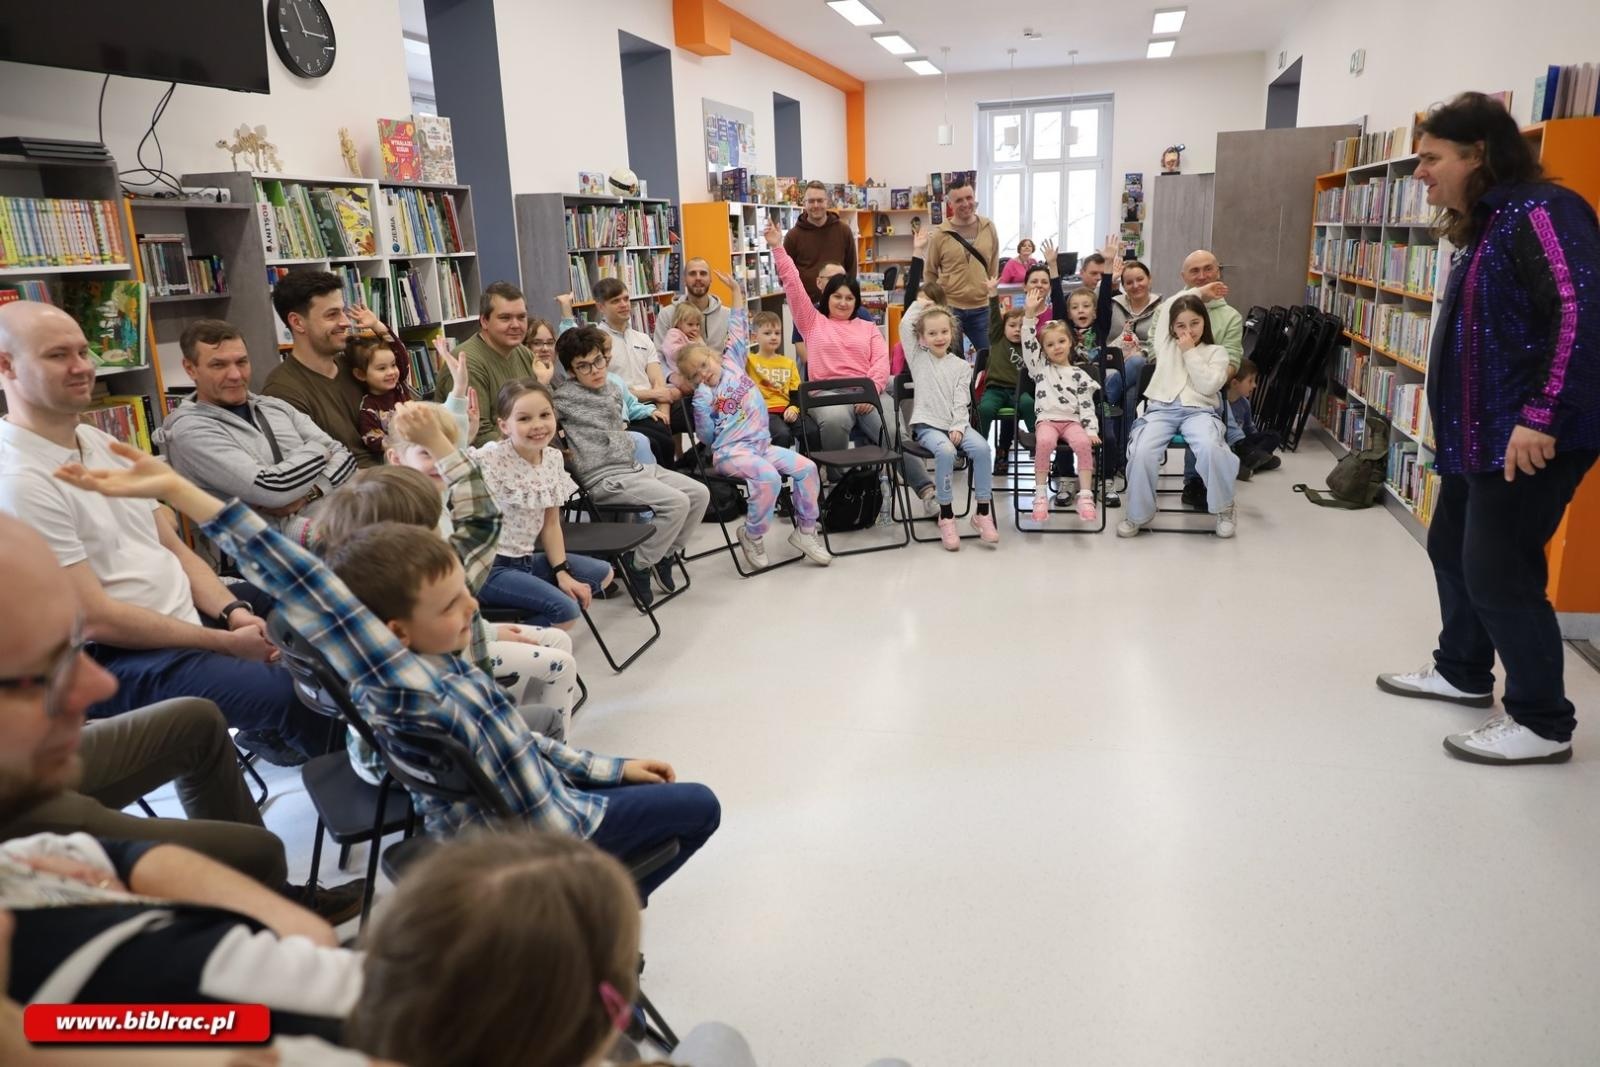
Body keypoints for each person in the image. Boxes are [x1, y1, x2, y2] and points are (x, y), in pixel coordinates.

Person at [55, 444, 721, 902]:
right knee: (699, 806)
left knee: (665, 793)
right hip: (544, 839)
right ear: (392, 631)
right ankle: (583, 916)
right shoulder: (402, 683)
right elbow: (298, 576)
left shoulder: (443, 663)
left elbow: (516, 744)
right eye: (453, 603)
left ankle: (580, 921)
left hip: (545, 806)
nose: (474, 609)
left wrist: (608, 766)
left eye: (467, 594)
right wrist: (177, 491)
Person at [0, 300, 325, 766]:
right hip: (116, 657)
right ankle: (371, 788)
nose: (82, 367)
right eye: (58, 356)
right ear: (6, 366)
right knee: (296, 693)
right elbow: (95, 618)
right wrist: (227, 643)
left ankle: (289, 736)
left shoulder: (97, 441)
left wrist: (233, 611)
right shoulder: (18, 481)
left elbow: (172, 546)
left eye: (84, 352)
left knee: (317, 608)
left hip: (184, 616)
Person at [1376, 91, 1600, 766]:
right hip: (1480, 437)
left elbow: (1581, 310)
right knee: (1452, 548)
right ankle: (1462, 670)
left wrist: (1542, 415)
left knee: (1500, 570)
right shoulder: (1488, 224)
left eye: (1432, 157)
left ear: (1480, 154)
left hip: (1529, 436)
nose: (1421, 173)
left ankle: (1542, 720)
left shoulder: (1544, 211)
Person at [317, 425, 575, 748]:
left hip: (431, 741)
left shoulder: (358, 608)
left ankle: (525, 729)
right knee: (554, 679)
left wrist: (489, 631)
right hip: (469, 728)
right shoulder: (427, 582)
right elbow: (483, 517)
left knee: (556, 643)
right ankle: (532, 743)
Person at [672, 277, 832, 569]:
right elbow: (707, 437)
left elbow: (737, 327)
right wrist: (703, 407)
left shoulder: (733, 361)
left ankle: (806, 531)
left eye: (704, 365)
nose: (703, 374)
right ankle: (752, 534)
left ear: (712, 356)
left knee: (807, 469)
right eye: (695, 375)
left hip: (761, 446)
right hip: (731, 453)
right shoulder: (703, 396)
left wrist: (736, 292)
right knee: (768, 478)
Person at [553, 324, 710, 605]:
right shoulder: (563, 397)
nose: (594, 370)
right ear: (572, 372)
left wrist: (654, 409)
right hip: (603, 478)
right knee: (676, 503)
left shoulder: (613, 386)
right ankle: (638, 564)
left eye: (598, 361)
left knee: (700, 494)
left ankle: (661, 555)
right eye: (583, 366)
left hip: (633, 468)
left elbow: (631, 407)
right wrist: (540, 377)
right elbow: (539, 407)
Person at [164, 318, 357, 545]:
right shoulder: (188, 430)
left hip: (334, 527)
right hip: (269, 556)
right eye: (218, 365)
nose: (235, 375)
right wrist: (319, 450)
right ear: (190, 368)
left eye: (242, 362)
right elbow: (271, 489)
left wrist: (311, 491)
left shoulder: (274, 406)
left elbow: (346, 459)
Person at [473, 382, 616, 630]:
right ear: (504, 426)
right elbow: (446, 463)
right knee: (567, 611)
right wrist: (464, 429)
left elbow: (551, 524)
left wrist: (561, 571)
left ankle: (528, 627)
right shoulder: (491, 456)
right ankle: (519, 646)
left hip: (525, 561)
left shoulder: (553, 457)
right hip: (489, 568)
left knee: (604, 573)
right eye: (524, 418)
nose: (538, 425)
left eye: (545, 415)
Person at [1118, 287, 1239, 538]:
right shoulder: (1165, 344)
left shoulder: (1216, 352)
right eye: (1181, 325)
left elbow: (1208, 386)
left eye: (1194, 323)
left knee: (1210, 447)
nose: (1188, 330)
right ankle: (1138, 513)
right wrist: (1200, 291)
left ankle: (1224, 508)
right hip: (1161, 409)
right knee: (1142, 451)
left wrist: (1190, 352)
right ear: (1172, 328)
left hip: (1199, 412)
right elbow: (1166, 309)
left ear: (1204, 322)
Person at [900, 296, 998, 549]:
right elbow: (904, 325)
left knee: (983, 449)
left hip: (957, 425)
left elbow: (961, 400)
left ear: (952, 332)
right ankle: (946, 514)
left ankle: (982, 512)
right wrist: (919, 304)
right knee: (945, 451)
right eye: (932, 333)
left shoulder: (962, 366)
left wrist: (957, 425)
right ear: (922, 337)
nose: (939, 337)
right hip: (927, 426)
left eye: (944, 331)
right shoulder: (918, 357)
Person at [264, 271, 377, 468]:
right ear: (297, 322)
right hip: (355, 490)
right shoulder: (282, 391)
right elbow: (316, 471)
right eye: (332, 315)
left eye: (343, 311)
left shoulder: (356, 365)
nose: (345, 322)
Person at [1019, 295, 1101, 524]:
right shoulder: (1040, 369)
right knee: (1044, 443)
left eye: (1061, 342)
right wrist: (1028, 317)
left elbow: (1087, 406)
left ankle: (1085, 496)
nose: (1056, 347)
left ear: (1070, 343)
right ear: (1043, 350)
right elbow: (1028, 346)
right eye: (1050, 344)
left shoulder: (1080, 375)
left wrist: (1091, 430)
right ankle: (1040, 495)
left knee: (1084, 444)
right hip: (1047, 420)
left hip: (1072, 422)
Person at [1174, 249, 1244, 509]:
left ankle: (1197, 480)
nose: (1202, 276)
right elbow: (1156, 353)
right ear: (1183, 276)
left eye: (1208, 269)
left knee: (1204, 408)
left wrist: (1212, 379)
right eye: (1195, 271)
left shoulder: (1230, 317)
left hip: (1207, 389)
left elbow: (1233, 359)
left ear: (1218, 272)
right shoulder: (1170, 308)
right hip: (1172, 386)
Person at [432, 281, 537, 446]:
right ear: (484, 321)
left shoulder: (522, 352)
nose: (516, 325)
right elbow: (478, 434)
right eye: (505, 318)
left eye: (521, 317)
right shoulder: (467, 363)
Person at [922, 177, 1000, 357]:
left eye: (969, 198)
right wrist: (934, 304)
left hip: (982, 308)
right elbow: (930, 272)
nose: (966, 203)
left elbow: (993, 266)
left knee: (990, 359)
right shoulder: (940, 234)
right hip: (950, 308)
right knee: (952, 364)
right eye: (959, 200)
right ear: (950, 204)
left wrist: (991, 296)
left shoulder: (989, 228)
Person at [345, 303, 417, 455]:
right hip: (400, 456)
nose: (391, 372)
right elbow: (373, 438)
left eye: (393, 365)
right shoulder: (369, 407)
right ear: (361, 374)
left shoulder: (399, 385)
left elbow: (399, 352)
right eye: (382, 368)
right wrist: (400, 447)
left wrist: (377, 326)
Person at [978, 284, 1032, 475]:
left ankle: (1036, 442)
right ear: (1004, 327)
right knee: (984, 409)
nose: (1017, 330)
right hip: (995, 389)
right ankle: (979, 447)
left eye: (1021, 326)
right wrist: (993, 295)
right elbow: (994, 318)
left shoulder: (1029, 345)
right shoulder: (997, 338)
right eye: (1012, 326)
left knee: (1029, 404)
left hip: (1019, 392)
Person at [745, 309, 817, 452]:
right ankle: (779, 473)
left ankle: (806, 467)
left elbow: (796, 392)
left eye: (777, 333)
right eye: (767, 333)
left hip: (786, 409)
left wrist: (793, 408)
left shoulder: (788, 363)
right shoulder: (749, 361)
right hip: (763, 412)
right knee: (781, 434)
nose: (773, 337)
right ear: (754, 337)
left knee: (811, 431)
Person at [1107, 259, 1163, 432]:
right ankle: (1123, 455)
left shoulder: (1162, 308)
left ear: (1150, 279)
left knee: (1138, 363)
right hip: (1112, 364)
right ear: (1123, 285)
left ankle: (1104, 399)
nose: (1135, 285)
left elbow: (1161, 341)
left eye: (1140, 279)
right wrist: (1110, 280)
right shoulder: (1114, 304)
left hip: (1146, 368)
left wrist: (1143, 353)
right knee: (1129, 395)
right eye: (1129, 282)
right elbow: (1089, 302)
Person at [781, 181, 858, 305]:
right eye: (811, 201)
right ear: (804, 203)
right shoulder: (793, 236)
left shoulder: (843, 231)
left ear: (827, 202)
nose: (816, 205)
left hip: (838, 307)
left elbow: (851, 270)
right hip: (805, 308)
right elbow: (785, 275)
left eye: (820, 200)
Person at [652, 257, 730, 352]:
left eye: (703, 273)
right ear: (684, 280)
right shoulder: (667, 314)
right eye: (692, 274)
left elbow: (734, 355)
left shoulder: (727, 315)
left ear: (710, 279)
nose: (698, 278)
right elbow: (659, 356)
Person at [1222, 359, 1281, 478]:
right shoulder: (1220, 402)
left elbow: (1250, 429)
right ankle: (1254, 460)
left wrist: (1255, 444)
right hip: (1227, 444)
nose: (1254, 385)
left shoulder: (1245, 403)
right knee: (1226, 450)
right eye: (1250, 381)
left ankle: (1250, 460)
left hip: (1243, 443)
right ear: (1234, 383)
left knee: (1274, 436)